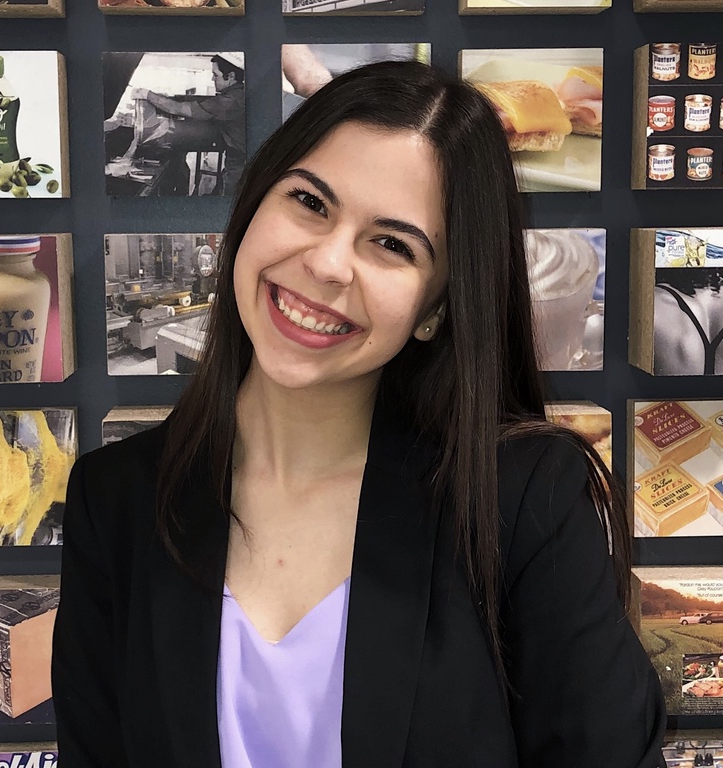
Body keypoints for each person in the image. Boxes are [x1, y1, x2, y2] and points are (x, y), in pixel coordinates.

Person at [52, 61, 666, 767]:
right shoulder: (116, 500)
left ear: (435, 308)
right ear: (253, 205)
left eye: (393, 245)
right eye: (310, 202)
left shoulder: (522, 499)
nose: (329, 263)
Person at [133, 53, 245, 196]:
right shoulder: (238, 93)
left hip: (240, 164)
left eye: (215, 75)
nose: (212, 79)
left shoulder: (230, 101)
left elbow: (178, 109)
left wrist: (146, 94)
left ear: (230, 76)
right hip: (237, 161)